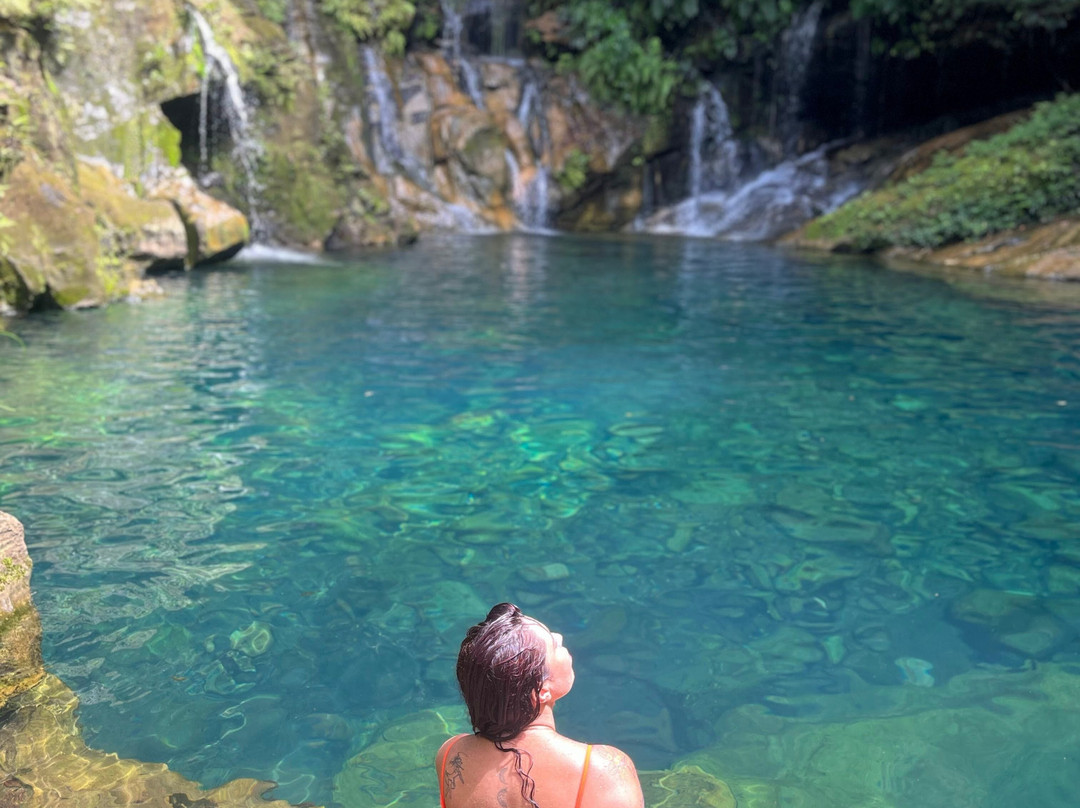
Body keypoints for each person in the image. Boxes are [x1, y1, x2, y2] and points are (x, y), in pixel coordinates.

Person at [435, 603, 644, 808]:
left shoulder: (450, 754)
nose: (559, 637)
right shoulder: (602, 770)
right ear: (542, 690)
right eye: (554, 646)